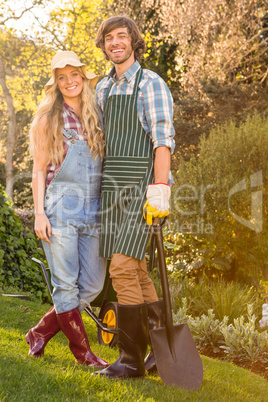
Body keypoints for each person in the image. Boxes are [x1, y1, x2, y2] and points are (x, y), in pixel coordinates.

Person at [94, 16, 175, 378]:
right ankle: (158, 351)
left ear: (133, 41)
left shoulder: (149, 83)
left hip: (143, 188)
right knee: (138, 270)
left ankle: (130, 360)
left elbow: (162, 140)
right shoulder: (103, 89)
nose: (115, 43)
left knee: (122, 268)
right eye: (109, 38)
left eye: (121, 36)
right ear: (104, 45)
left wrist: (160, 190)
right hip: (113, 187)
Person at [26, 51, 109, 368]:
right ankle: (84, 355)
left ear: (83, 78)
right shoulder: (49, 118)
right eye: (62, 77)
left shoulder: (97, 115)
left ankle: (39, 332)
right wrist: (39, 213)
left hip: (94, 208)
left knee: (92, 285)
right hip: (60, 207)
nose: (69, 81)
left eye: (74, 74)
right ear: (56, 83)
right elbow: (38, 170)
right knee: (65, 285)